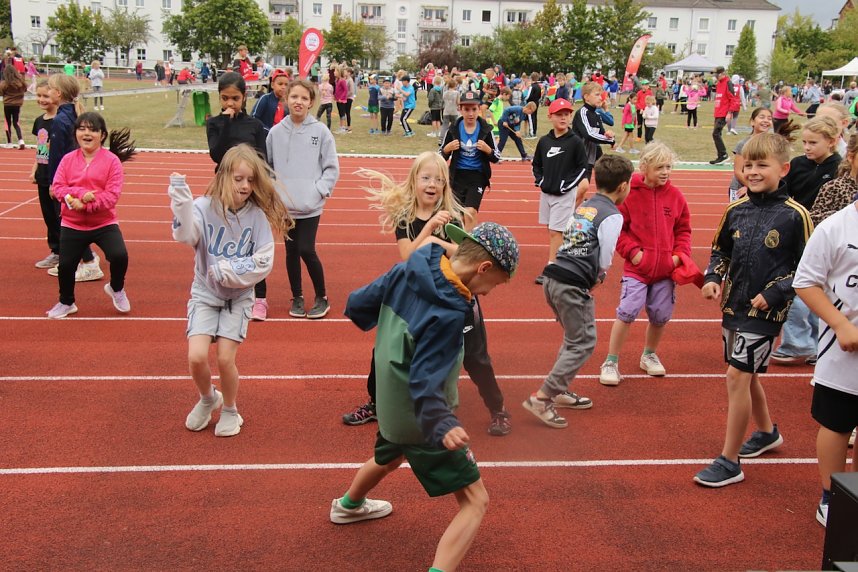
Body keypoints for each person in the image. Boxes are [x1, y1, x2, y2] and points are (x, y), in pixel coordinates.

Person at [331, 221, 519, 572]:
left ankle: (348, 505)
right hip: (422, 417)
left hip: (389, 400)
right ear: (484, 268)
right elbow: (425, 378)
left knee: (390, 455)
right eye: (495, 283)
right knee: (476, 501)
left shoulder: (410, 268)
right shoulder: (450, 310)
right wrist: (442, 422)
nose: (490, 293)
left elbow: (358, 304)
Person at [344, 152, 513, 436]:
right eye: (425, 178)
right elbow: (408, 255)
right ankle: (376, 402)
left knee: (475, 356)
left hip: (453, 294)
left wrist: (441, 234)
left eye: (438, 179)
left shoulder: (452, 219)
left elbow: (464, 254)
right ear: (414, 181)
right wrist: (432, 233)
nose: (431, 184)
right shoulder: (405, 218)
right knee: (385, 350)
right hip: (415, 294)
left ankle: (498, 409)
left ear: (445, 185)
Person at [694, 133, 812, 487]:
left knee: (737, 377)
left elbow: (808, 266)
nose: (754, 171)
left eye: (763, 165)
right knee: (746, 373)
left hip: (766, 314)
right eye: (748, 165)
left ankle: (730, 461)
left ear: (784, 169)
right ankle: (766, 432)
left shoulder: (795, 216)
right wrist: (713, 277)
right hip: (734, 307)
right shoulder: (735, 209)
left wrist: (776, 293)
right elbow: (720, 250)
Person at [169, 145, 291, 437]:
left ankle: (231, 409)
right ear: (224, 176)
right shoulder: (202, 207)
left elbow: (264, 261)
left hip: (239, 297)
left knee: (225, 358)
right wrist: (182, 204)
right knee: (196, 356)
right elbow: (186, 236)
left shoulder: (257, 217)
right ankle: (209, 398)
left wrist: (229, 271)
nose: (245, 186)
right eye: (238, 179)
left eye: (250, 180)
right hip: (205, 293)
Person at [523, 154, 634, 428]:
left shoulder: (585, 205)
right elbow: (606, 253)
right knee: (584, 341)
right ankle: (543, 397)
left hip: (554, 276)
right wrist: (600, 274)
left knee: (574, 338)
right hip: (572, 284)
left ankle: (557, 390)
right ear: (623, 186)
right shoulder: (612, 215)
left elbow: (570, 236)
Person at [794, 148, 858, 526]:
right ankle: (832, 496)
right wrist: (840, 324)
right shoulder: (835, 227)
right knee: (837, 425)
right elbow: (806, 282)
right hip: (842, 354)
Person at [599, 142, 691, 386]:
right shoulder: (630, 194)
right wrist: (634, 253)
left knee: (660, 316)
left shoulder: (676, 196)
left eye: (669, 167)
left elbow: (684, 230)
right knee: (627, 311)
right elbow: (619, 229)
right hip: (637, 269)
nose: (665, 172)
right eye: (660, 167)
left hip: (665, 271)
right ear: (644, 167)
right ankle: (611, 360)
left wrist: (679, 256)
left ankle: (649, 354)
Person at [45, 112, 137, 319]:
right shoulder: (68, 159)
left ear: (102, 135)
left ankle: (116, 288)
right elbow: (58, 187)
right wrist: (77, 198)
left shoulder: (112, 161)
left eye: (93, 129)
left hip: (103, 222)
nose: (87, 133)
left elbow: (111, 196)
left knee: (119, 256)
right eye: (82, 128)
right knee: (66, 266)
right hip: (72, 224)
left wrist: (86, 205)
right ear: (75, 132)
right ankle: (66, 302)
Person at [769, 116, 842, 366]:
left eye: (813, 142)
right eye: (805, 142)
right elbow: (781, 192)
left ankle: (800, 343)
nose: (807, 147)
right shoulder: (799, 164)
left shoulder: (838, 169)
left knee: (800, 288)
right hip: (794, 233)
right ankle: (807, 344)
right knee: (802, 288)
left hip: (823, 237)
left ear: (831, 142)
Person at [264, 79, 339, 320]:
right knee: (290, 251)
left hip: (310, 206)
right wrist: (275, 193)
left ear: (311, 103)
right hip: (285, 207)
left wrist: (318, 190)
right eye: (294, 97)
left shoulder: (321, 132)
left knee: (306, 249)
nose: (299, 102)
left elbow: (331, 168)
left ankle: (321, 297)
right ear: (286, 99)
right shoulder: (275, 133)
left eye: (304, 98)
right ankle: (296, 297)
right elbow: (269, 167)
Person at [45, 73, 103, 282]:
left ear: (58, 93)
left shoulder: (61, 120)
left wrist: (54, 183)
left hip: (68, 180)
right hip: (75, 177)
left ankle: (88, 262)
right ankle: (82, 258)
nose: (47, 92)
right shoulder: (71, 116)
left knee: (68, 221)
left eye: (50, 88)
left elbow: (59, 156)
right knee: (71, 220)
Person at [532, 98, 589, 285]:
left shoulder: (575, 142)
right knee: (553, 230)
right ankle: (567, 261)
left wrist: (567, 185)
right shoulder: (544, 141)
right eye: (559, 114)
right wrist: (540, 181)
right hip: (547, 193)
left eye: (567, 114)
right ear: (550, 117)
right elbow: (537, 164)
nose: (564, 118)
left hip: (564, 195)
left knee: (555, 232)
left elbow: (582, 167)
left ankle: (551, 269)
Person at [440, 90, 500, 231]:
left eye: (474, 109)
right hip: (457, 176)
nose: (471, 113)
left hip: (477, 176)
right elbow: (440, 156)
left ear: (479, 109)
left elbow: (496, 157)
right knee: (457, 215)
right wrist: (447, 149)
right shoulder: (453, 129)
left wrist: (488, 149)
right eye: (466, 109)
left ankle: (468, 246)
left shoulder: (486, 129)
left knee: (470, 212)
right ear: (460, 109)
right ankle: (458, 245)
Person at [206, 72, 267, 171]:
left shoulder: (255, 125)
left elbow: (262, 160)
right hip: (225, 179)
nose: (230, 103)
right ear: (219, 96)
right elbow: (217, 156)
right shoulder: (213, 123)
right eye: (225, 98)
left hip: (248, 179)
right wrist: (226, 123)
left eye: (235, 98)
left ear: (244, 97)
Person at [31, 79, 62, 270]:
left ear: (57, 94)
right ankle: (56, 251)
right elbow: (40, 147)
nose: (41, 99)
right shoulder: (39, 121)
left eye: (45, 95)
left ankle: (68, 251)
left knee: (60, 215)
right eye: (39, 95)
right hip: (42, 174)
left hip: (56, 176)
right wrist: (34, 167)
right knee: (48, 216)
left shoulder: (61, 121)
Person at [728, 107, 773, 202]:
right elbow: (738, 171)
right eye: (762, 117)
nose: (766, 121)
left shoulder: (773, 145)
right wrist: (749, 186)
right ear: (752, 122)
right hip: (740, 189)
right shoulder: (743, 144)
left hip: (762, 188)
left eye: (769, 118)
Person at [572, 82, 616, 177]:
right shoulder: (582, 113)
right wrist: (610, 140)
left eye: (600, 95)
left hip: (590, 158)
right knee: (579, 188)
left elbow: (601, 133)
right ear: (586, 97)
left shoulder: (596, 115)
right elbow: (589, 134)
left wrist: (609, 134)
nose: (600, 98)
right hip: (578, 159)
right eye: (597, 95)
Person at [710, 66, 735, 164]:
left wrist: (730, 113)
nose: (715, 77)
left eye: (716, 74)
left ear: (721, 74)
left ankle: (723, 154)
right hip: (718, 112)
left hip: (724, 112)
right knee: (717, 133)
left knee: (715, 133)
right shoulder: (719, 84)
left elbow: (733, 99)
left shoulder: (728, 83)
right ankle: (720, 156)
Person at [0, 62, 27, 148]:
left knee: (7, 123)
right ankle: (21, 140)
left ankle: (9, 142)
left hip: (7, 104)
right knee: (16, 122)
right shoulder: (21, 82)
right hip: (17, 105)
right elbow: (25, 89)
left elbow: (1, 93)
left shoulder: (4, 83)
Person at [525, 72, 542, 138]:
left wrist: (524, 99)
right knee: (534, 117)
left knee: (530, 117)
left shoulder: (532, 86)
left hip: (531, 103)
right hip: (536, 102)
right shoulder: (538, 86)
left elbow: (528, 96)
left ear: (531, 78)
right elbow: (540, 95)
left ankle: (532, 133)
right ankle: (534, 131)